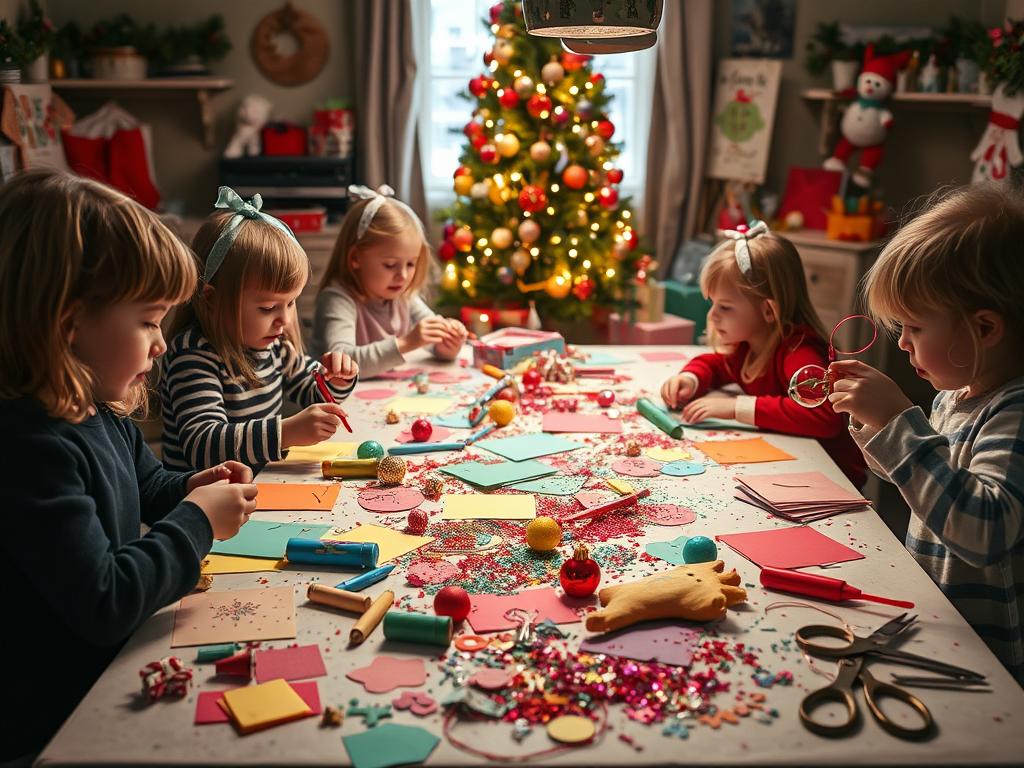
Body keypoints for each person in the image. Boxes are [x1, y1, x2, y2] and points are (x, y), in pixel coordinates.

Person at [0, 171, 257, 762]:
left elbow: (145, 485)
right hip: (51, 724)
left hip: (99, 682)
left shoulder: (99, 411)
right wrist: (197, 521)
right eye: (148, 321)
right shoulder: (29, 446)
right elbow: (105, 599)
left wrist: (192, 487)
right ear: (66, 322)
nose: (163, 343)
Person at [828, 184, 1024, 685]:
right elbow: (921, 482)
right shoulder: (953, 396)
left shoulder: (1014, 413)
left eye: (914, 327)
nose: (903, 343)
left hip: (994, 660)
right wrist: (875, 422)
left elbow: (983, 529)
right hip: (946, 627)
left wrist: (897, 423)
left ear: (985, 328)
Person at [161, 187, 358, 471]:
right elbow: (202, 445)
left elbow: (312, 394)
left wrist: (336, 380)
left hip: (259, 487)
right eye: (267, 308)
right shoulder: (194, 356)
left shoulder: (274, 345)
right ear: (212, 299)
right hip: (203, 504)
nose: (285, 320)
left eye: (290, 304)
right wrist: (286, 432)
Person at [660, 223, 866, 486]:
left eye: (725, 307)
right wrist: (690, 379)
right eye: (712, 304)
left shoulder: (799, 350)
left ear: (769, 311)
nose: (712, 316)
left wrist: (735, 408)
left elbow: (823, 417)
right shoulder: (749, 345)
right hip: (792, 466)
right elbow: (717, 365)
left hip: (831, 482)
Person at [312, 184, 467, 377]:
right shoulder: (337, 299)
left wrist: (447, 345)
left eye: (410, 264)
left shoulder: (404, 295)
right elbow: (342, 362)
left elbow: (431, 340)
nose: (402, 275)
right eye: (390, 265)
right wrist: (407, 342)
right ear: (355, 258)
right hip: (334, 403)